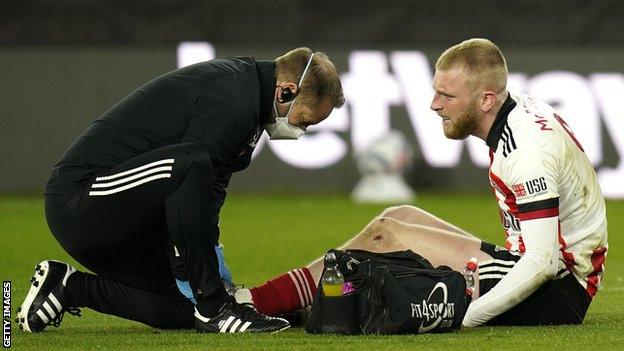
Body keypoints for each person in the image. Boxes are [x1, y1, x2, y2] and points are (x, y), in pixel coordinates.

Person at [238, 38, 608, 327]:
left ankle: (257, 303)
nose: (434, 104)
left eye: (446, 95)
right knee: (401, 215)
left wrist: (470, 316)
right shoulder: (518, 114)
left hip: (557, 288)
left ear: (486, 99)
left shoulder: (527, 152)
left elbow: (542, 261)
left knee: (386, 234)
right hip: (538, 265)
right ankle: (299, 303)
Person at [16, 47, 345, 333]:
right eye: (305, 121)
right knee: (191, 165)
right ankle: (215, 308)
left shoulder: (249, 108)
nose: (301, 131)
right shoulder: (232, 96)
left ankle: (68, 287)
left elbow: (208, 197)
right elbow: (190, 179)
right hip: (79, 201)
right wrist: (211, 291)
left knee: (184, 310)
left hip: (123, 216)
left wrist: (213, 270)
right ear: (285, 92)